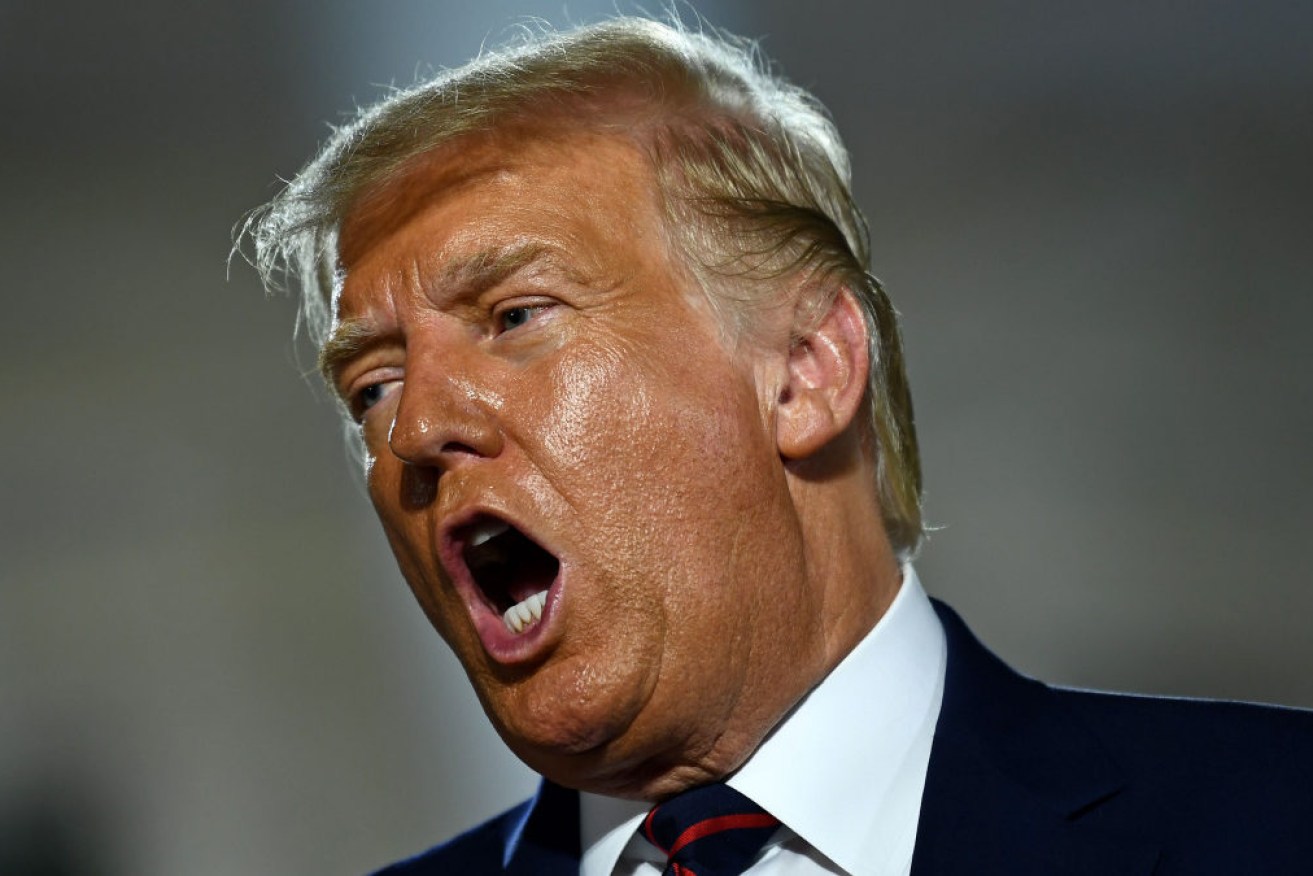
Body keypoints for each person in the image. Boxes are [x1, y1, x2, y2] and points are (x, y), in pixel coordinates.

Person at [243, 15, 1313, 876]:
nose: (416, 430)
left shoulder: (1272, 824)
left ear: (804, 370)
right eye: (371, 386)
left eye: (515, 317)